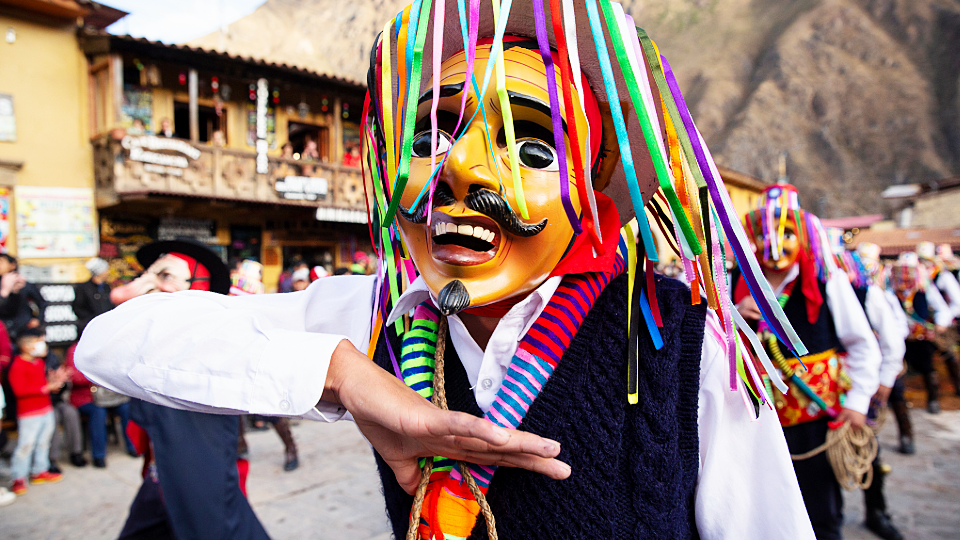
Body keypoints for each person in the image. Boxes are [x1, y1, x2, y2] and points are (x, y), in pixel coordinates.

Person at [77, 2, 817, 538]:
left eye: (533, 146)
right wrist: (341, 373)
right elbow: (113, 341)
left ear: (595, 191)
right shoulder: (376, 320)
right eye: (432, 134)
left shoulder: (683, 343)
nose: (459, 167)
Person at [736, 185, 880, 540]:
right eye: (765, 234)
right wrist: (735, 314)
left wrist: (858, 402)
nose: (775, 244)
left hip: (814, 421)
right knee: (763, 509)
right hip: (754, 420)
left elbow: (862, 344)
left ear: (802, 235)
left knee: (820, 511)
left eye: (786, 233)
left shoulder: (826, 280)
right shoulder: (734, 281)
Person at [831, 236, 906, 540]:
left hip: (858, 385)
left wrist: (885, 379)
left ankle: (877, 511)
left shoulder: (867, 292)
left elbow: (891, 339)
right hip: (824, 389)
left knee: (865, 449)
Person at [8, 327, 67, 495]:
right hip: (29, 413)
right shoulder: (17, 365)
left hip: (46, 409)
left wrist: (54, 383)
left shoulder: (40, 363)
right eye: (38, 342)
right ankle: (18, 477)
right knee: (25, 446)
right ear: (25, 346)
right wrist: (45, 388)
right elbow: (19, 391)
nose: (43, 345)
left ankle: (39, 470)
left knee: (43, 442)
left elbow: (42, 385)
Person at [916, 241, 960, 402]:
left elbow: (957, 302)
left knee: (948, 354)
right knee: (926, 360)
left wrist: (943, 320)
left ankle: (957, 386)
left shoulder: (943, 276)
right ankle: (933, 398)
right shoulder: (918, 277)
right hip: (924, 325)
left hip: (944, 324)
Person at [73, 257, 114, 335]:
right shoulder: (83, 288)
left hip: (106, 327)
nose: (108, 272)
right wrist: (91, 320)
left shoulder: (107, 287)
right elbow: (78, 308)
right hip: (89, 327)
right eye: (105, 270)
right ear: (99, 272)